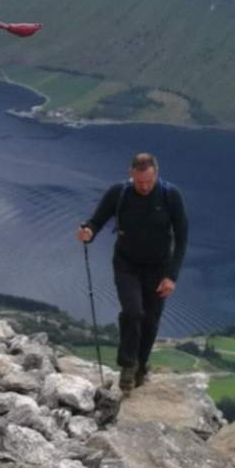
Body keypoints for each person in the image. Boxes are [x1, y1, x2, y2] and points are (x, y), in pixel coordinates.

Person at [76, 153, 189, 394]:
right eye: (140, 182)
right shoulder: (119, 193)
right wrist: (88, 232)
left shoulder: (170, 196)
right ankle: (128, 365)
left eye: (149, 182)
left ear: (156, 174)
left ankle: (141, 366)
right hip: (127, 264)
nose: (145, 187)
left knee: (151, 320)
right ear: (131, 174)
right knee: (132, 311)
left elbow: (182, 238)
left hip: (159, 268)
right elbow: (96, 221)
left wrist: (172, 277)